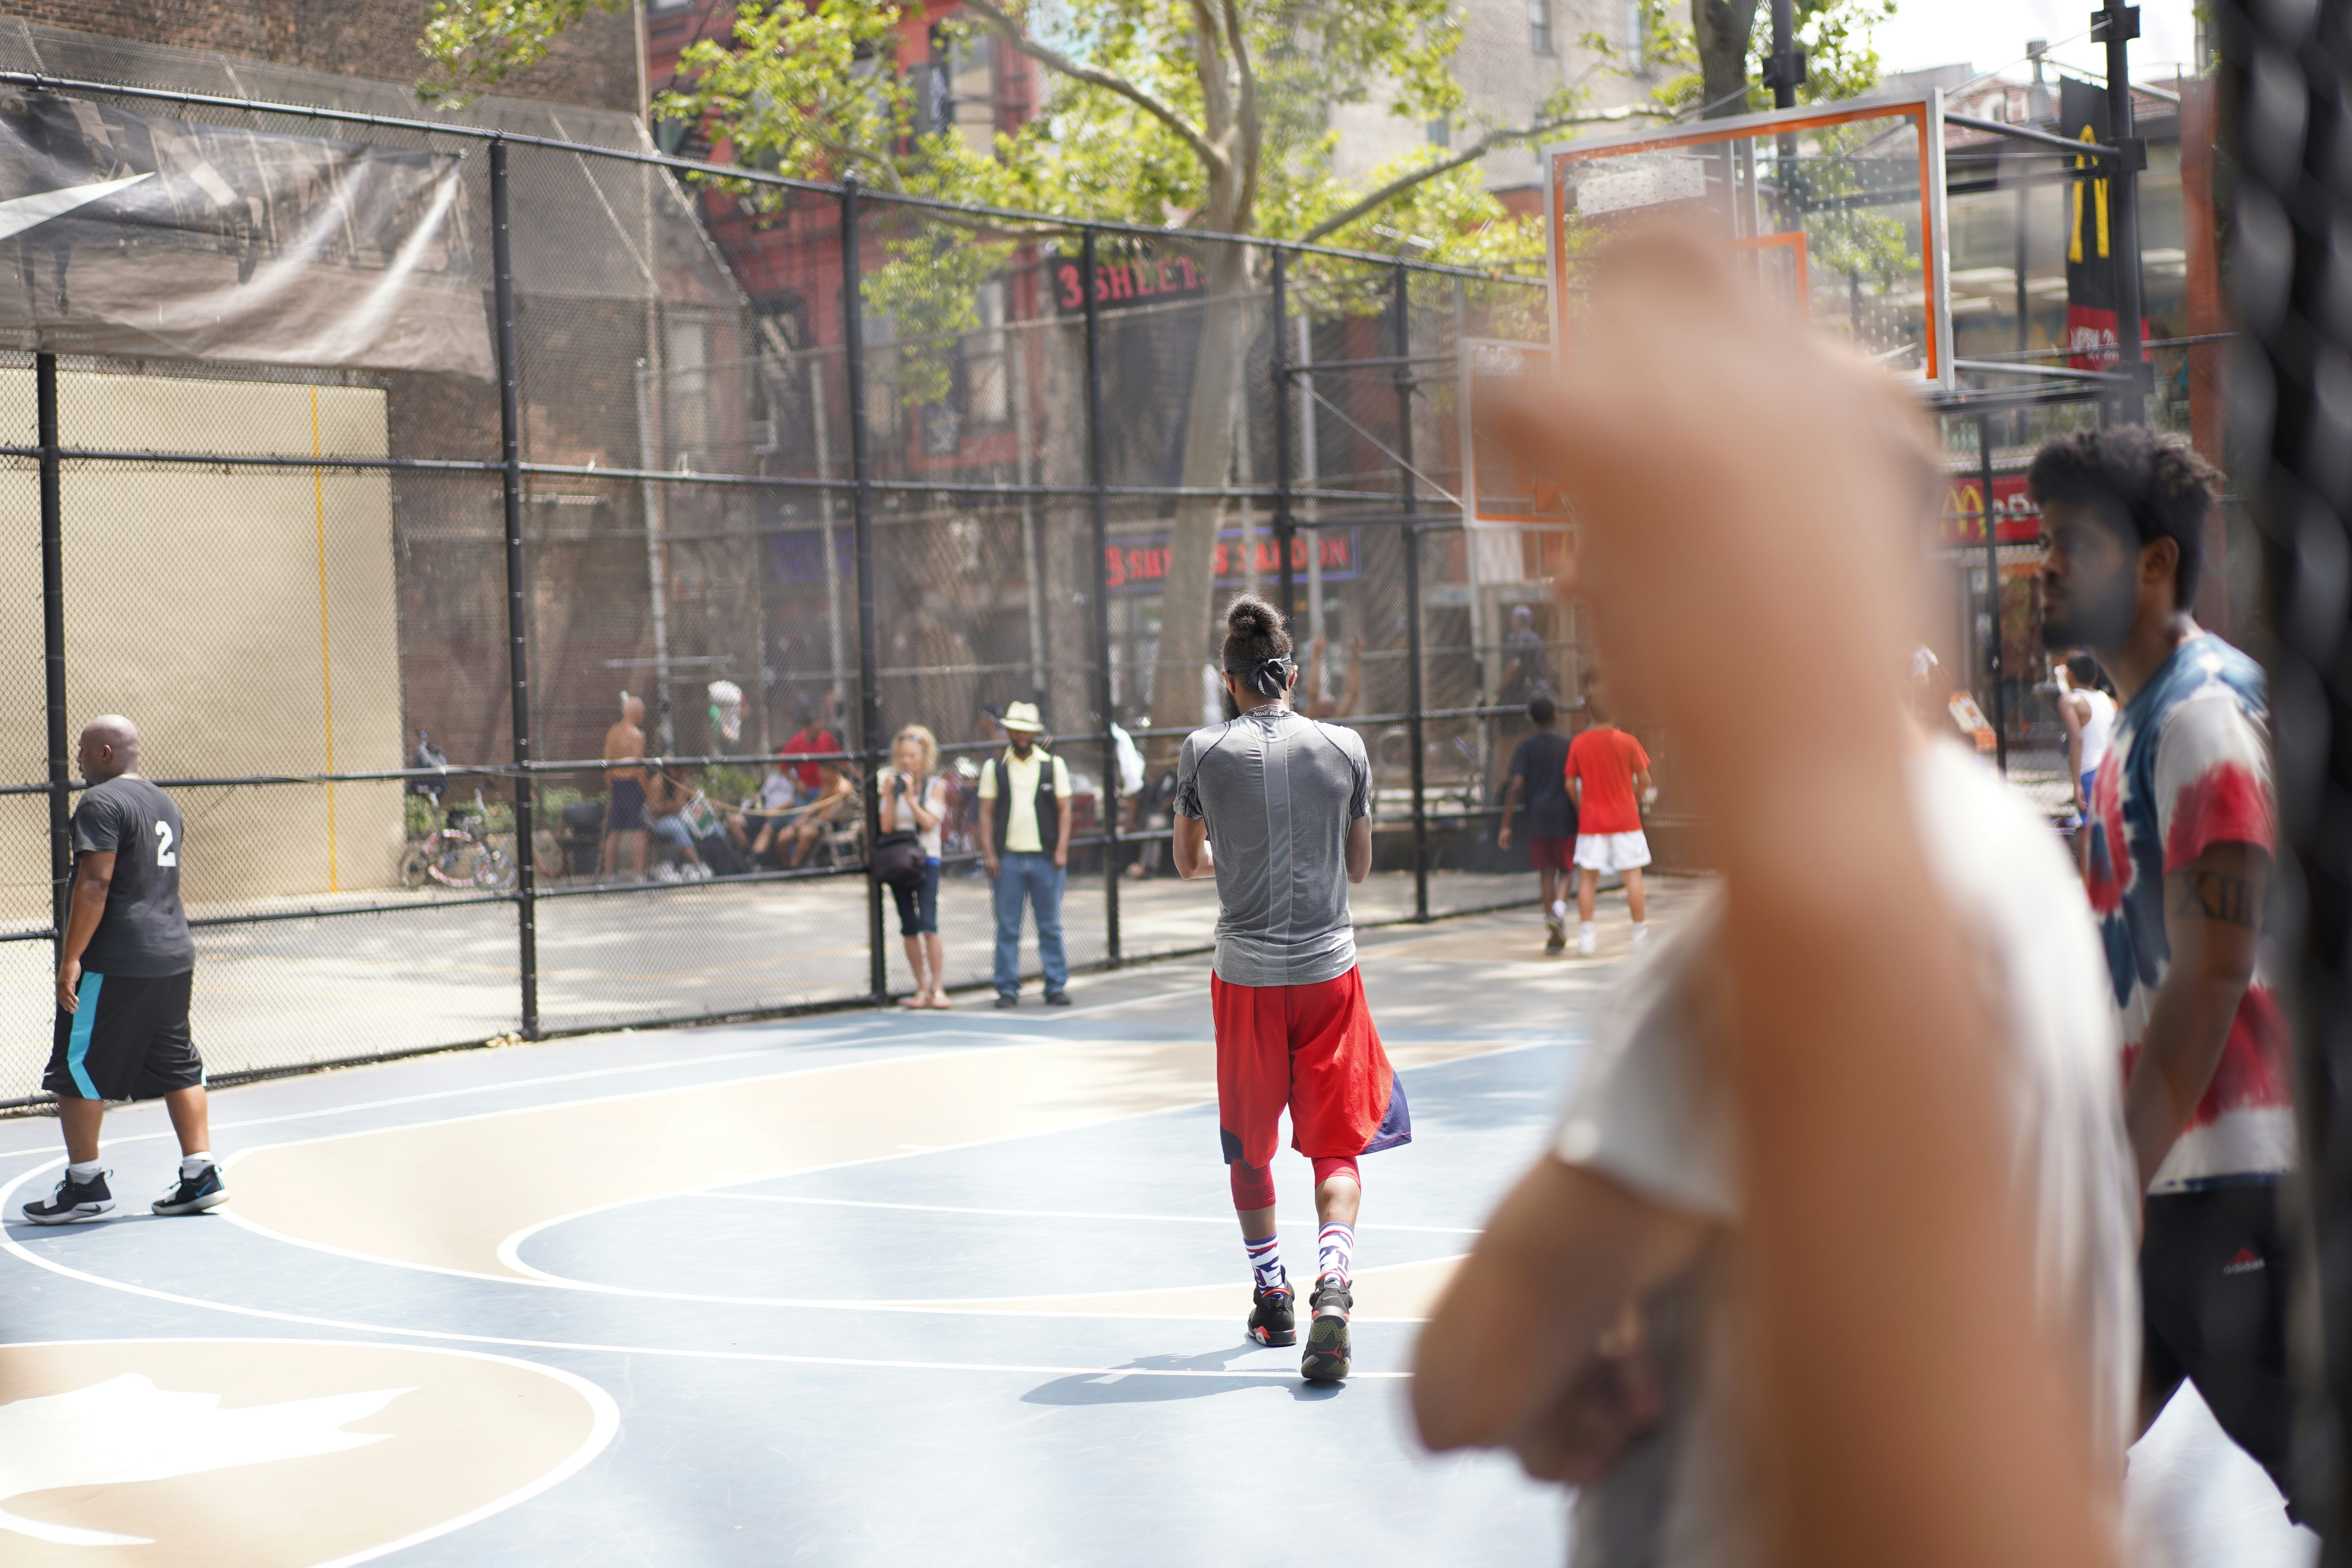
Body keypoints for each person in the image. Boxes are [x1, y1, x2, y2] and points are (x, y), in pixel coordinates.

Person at [1412, 225, 2120, 1568]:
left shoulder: (1772, 960)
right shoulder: (2005, 851)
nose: (1572, 577)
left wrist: (1568, 1333)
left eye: (1626, 531)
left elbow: (1465, 1377)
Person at [2034, 426, 2313, 1529]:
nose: (2046, 566)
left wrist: (2115, 1173)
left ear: (2155, 565)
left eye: (2074, 544)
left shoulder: (2199, 716)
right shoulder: (2131, 732)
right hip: (2172, 1192)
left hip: (2235, 1188)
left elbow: (2211, 974)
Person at [1174, 594, 1408, 1384]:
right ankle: (1333, 1287)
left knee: (1247, 1144)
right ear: (1291, 674)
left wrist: (1239, 858)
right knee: (1336, 1145)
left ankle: (1272, 1294)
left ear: (1230, 679)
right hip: (1328, 972)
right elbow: (1359, 866)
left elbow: (1185, 861)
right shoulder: (1345, 748)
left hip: (1244, 977)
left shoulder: (1201, 752)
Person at [23, 716, 228, 1223]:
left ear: (107, 753)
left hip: (119, 958)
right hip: (173, 955)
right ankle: (200, 1174)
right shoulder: (164, 803)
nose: (78, 761)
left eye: (84, 752)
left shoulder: (101, 802)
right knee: (179, 1063)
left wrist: (71, 958)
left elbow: (96, 882)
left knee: (77, 1068)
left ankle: (86, 1184)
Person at [976, 701, 1072, 1007]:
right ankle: (1007, 987)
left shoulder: (1052, 765)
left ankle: (1055, 984)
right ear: (1009, 732)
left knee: (1050, 925)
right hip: (1008, 858)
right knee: (1007, 927)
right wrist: (989, 852)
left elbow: (1064, 810)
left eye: (1026, 731)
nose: (1021, 736)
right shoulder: (995, 768)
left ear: (1033, 734)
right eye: (1016, 730)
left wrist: (1061, 850)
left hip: (1046, 857)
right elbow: (986, 813)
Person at [1566, 669, 1655, 956]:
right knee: (1634, 879)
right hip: (1626, 820)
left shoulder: (1580, 743)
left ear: (1589, 712)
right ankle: (1639, 935)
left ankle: (1587, 937)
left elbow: (1570, 783)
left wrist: (1581, 807)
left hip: (1592, 821)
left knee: (1588, 880)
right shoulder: (1628, 742)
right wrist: (1636, 799)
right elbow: (1646, 780)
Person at [1497, 694, 1578, 953]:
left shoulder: (1526, 747)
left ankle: (1551, 928)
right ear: (1556, 716)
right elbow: (1576, 782)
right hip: (1565, 815)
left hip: (1538, 816)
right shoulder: (1568, 745)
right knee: (1567, 869)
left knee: (1546, 873)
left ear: (1532, 720)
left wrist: (1506, 824)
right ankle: (1559, 912)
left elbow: (1516, 786)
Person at [883, 724, 952, 1009]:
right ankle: (921, 989)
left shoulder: (937, 785)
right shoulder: (890, 783)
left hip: (927, 859)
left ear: (925, 757)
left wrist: (910, 798)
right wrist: (890, 795)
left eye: (912, 756)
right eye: (902, 756)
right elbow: (886, 826)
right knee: (908, 926)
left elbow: (929, 823)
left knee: (928, 923)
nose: (907, 761)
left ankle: (938, 988)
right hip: (899, 860)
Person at [2054, 652, 2118, 834]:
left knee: (2088, 835)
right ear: (2096, 676)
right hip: (2113, 770)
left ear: (2070, 675)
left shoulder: (2070, 702)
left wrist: (2076, 784)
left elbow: (2077, 739)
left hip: (2090, 772)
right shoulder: (2110, 701)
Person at [602, 693, 650, 882]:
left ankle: (608, 876)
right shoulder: (637, 736)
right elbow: (639, 769)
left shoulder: (613, 732)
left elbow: (607, 763)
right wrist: (648, 793)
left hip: (616, 784)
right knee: (639, 830)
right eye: (642, 712)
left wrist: (611, 788)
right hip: (632, 785)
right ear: (635, 712)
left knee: (615, 830)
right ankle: (639, 877)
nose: (643, 716)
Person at [644, 765, 711, 881]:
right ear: (670, 770)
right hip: (658, 821)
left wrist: (683, 792)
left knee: (708, 825)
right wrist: (674, 805)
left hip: (682, 818)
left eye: (685, 770)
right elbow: (654, 810)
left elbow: (693, 802)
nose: (683, 773)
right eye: (680, 770)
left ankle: (698, 866)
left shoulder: (684, 780)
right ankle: (698, 865)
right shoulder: (659, 781)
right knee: (678, 827)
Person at [781, 697, 844, 795]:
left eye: (819, 730)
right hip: (807, 790)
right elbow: (782, 767)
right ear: (807, 728)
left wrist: (856, 774)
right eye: (815, 731)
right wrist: (797, 782)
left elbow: (842, 760)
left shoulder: (827, 738)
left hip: (827, 788)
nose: (818, 734)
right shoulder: (796, 742)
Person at [1300, 633, 1364, 721]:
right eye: (1327, 708)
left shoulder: (1336, 722)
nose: (1330, 708)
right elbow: (1313, 696)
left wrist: (1356, 656)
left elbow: (1352, 694)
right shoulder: (1311, 722)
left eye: (1332, 709)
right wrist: (1316, 657)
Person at [1499, 603, 1552, 705]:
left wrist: (1499, 690)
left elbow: (1514, 666)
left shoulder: (1516, 638)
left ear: (1516, 621)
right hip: (1541, 690)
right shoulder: (1536, 638)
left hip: (1524, 693)